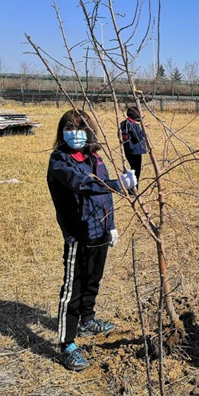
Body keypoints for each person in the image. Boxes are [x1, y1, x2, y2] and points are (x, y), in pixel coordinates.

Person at [47, 109, 137, 371]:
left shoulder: (94, 157)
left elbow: (104, 197)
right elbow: (84, 184)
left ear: (89, 131)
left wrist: (112, 226)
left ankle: (87, 320)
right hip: (79, 234)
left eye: (80, 128)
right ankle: (67, 344)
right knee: (72, 290)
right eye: (70, 128)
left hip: (100, 231)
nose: (75, 133)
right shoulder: (59, 162)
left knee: (93, 280)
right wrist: (116, 184)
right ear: (62, 132)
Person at [120, 106, 147, 185]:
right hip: (136, 151)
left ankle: (130, 187)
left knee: (132, 169)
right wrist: (143, 131)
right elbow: (138, 137)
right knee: (136, 170)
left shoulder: (123, 123)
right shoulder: (134, 125)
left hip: (127, 149)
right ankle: (133, 188)